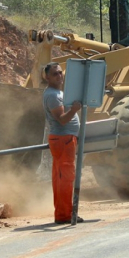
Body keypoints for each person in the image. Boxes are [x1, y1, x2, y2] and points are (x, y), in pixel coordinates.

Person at [43, 62, 83, 224]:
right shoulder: (52, 95)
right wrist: (74, 110)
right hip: (63, 139)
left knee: (62, 178)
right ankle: (64, 216)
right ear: (47, 77)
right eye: (55, 74)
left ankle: (63, 213)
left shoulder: (57, 93)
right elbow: (62, 120)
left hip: (65, 139)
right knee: (65, 178)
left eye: (60, 73)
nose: (59, 76)